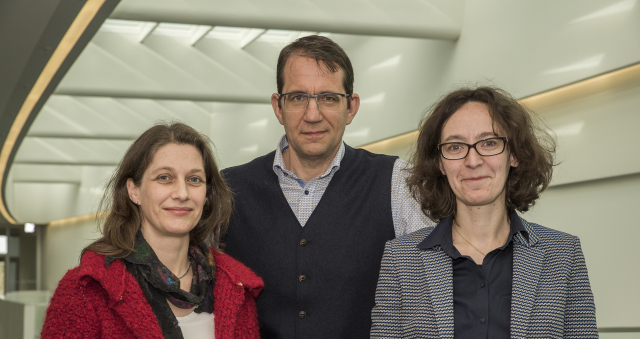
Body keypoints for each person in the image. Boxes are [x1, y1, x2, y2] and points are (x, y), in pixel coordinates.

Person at [222, 35, 434, 338]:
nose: (312, 115)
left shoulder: (397, 182)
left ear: (351, 107)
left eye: (328, 98)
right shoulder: (228, 189)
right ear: (278, 107)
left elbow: (431, 290)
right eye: (297, 98)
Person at [370, 86, 598, 338]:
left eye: (489, 143)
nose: (473, 160)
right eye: (455, 147)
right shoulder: (401, 259)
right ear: (440, 163)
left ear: (514, 155)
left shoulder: (564, 254)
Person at [42, 123, 264, 339]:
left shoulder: (237, 288)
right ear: (134, 191)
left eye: (194, 179)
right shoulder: (85, 290)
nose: (182, 193)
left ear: (206, 196)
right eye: (164, 178)